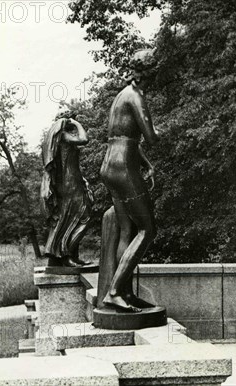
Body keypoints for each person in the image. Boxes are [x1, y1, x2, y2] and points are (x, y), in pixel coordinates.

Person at [99, 49, 159, 312]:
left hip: (111, 165)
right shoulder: (136, 97)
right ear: (149, 72)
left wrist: (145, 164)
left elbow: (124, 136)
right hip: (123, 167)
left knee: (128, 230)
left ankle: (123, 292)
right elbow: (152, 136)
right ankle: (114, 291)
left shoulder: (121, 95)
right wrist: (170, 128)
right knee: (148, 229)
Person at [41, 111, 93, 267]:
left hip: (72, 183)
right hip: (69, 185)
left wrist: (83, 180)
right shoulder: (63, 135)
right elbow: (85, 139)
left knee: (70, 220)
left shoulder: (60, 139)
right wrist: (76, 124)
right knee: (82, 217)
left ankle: (67, 256)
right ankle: (66, 255)